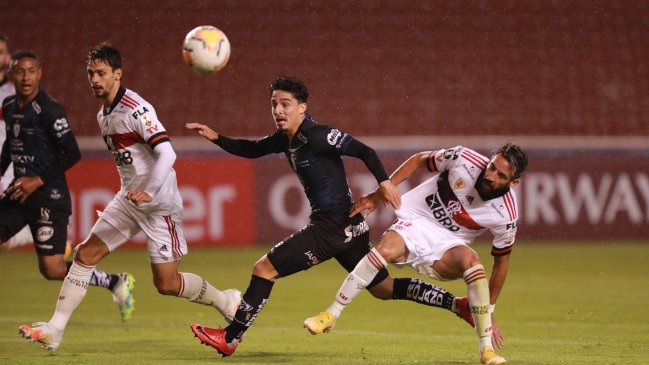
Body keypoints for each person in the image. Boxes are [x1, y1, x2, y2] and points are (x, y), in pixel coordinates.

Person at [186, 76, 474, 358]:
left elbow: (364, 150)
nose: (278, 111)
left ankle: (231, 337)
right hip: (350, 226)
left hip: (330, 228)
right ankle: (456, 305)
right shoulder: (286, 139)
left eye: (285, 104)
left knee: (264, 269)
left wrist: (384, 183)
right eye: (274, 104)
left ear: (302, 107)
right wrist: (216, 137)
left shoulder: (317, 135)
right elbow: (251, 149)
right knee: (384, 288)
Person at [18, 42, 241, 352]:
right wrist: (136, 192)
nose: (95, 79)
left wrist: (149, 191)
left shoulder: (138, 109)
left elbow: (167, 152)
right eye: (90, 73)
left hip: (159, 204)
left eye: (101, 73)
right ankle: (54, 329)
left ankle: (225, 299)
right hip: (129, 200)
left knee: (166, 284)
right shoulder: (103, 115)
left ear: (117, 75)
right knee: (84, 255)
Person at [305, 143, 528, 365]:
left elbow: (501, 264)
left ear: (513, 182)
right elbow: (420, 159)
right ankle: (331, 314)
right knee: (384, 251)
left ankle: (486, 349)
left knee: (473, 263)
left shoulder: (506, 214)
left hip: (448, 243)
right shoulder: (464, 159)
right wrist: (380, 192)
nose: (490, 175)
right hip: (415, 219)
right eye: (491, 167)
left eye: (501, 175)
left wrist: (489, 310)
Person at [1, 49, 133, 322]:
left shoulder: (49, 110)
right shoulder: (11, 105)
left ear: (39, 74)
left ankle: (114, 282)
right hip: (19, 194)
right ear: (11, 75)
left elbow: (71, 153)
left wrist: (36, 180)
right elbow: (10, 146)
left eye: (31, 71)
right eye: (20, 71)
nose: (25, 77)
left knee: (52, 269)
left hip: (48, 198)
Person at [0, 34, 34, 252]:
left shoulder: (16, 94)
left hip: (8, 171)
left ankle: (34, 226)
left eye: (0, 52)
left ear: (7, 58)